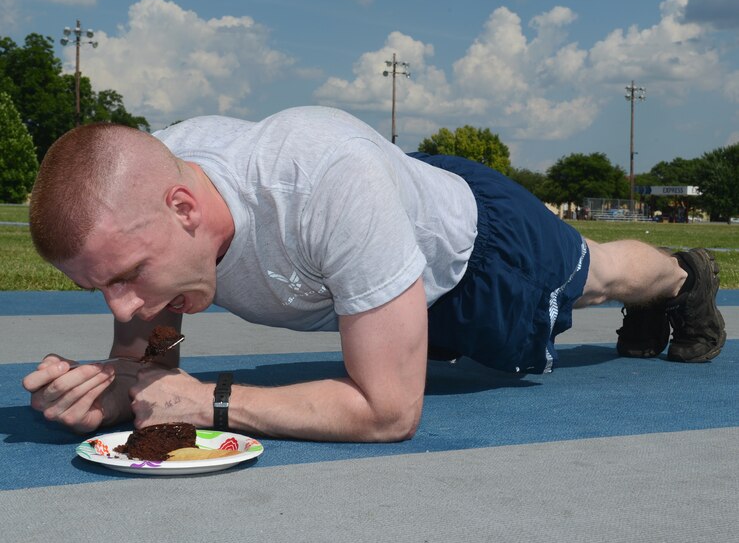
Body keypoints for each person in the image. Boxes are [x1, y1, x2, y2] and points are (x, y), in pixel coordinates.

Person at [22, 106, 726, 442]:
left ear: (184, 207)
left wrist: (205, 400)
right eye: (101, 286)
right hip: (391, 214)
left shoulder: (325, 181)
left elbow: (390, 412)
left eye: (130, 276)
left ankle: (680, 279)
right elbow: (151, 355)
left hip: (480, 254)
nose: (126, 306)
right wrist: (123, 387)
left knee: (595, 273)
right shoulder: (149, 192)